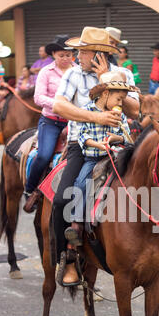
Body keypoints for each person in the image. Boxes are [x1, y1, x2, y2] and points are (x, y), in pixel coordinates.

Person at [51, 26, 139, 287]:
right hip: (83, 146)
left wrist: (108, 79)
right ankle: (67, 259)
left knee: (151, 182)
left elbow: (134, 110)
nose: (77, 55)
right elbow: (59, 105)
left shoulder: (121, 74)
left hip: (118, 143)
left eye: (83, 51)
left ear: (99, 54)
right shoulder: (73, 74)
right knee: (62, 198)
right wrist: (96, 116)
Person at [61, 72, 134, 285]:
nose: (121, 103)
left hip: (116, 158)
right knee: (81, 183)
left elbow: (128, 137)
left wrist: (116, 137)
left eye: (122, 99)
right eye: (118, 99)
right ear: (105, 94)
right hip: (93, 159)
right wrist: (98, 144)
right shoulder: (88, 110)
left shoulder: (118, 115)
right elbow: (82, 137)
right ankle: (76, 225)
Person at [23, 35, 74, 212]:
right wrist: (59, 105)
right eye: (62, 55)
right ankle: (30, 189)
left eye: (69, 55)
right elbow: (38, 97)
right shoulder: (45, 71)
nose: (66, 59)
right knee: (44, 155)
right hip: (51, 121)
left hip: (73, 121)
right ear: (53, 54)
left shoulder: (78, 71)